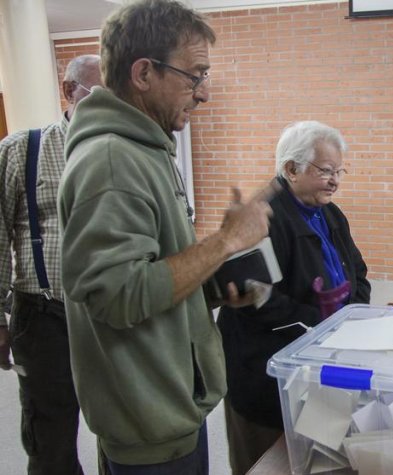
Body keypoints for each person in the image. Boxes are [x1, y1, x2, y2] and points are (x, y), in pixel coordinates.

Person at [57, 1, 273, 473]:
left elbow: (155, 269)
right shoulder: (112, 161)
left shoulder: (145, 149)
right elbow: (120, 296)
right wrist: (225, 242)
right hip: (147, 426)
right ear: (142, 73)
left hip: (169, 408)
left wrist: (214, 288)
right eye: (195, 75)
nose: (204, 94)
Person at [217, 120, 371, 475]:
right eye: (326, 171)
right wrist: (325, 326)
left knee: (311, 458)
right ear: (291, 169)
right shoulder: (263, 216)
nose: (335, 180)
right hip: (264, 372)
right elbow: (254, 297)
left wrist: (353, 320)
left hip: (318, 361)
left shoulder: (331, 213)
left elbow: (358, 272)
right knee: (265, 463)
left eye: (339, 171)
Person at [0, 54, 101, 475]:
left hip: (110, 315)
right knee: (51, 440)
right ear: (68, 91)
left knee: (124, 431)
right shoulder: (22, 150)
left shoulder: (125, 152)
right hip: (43, 318)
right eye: (96, 95)